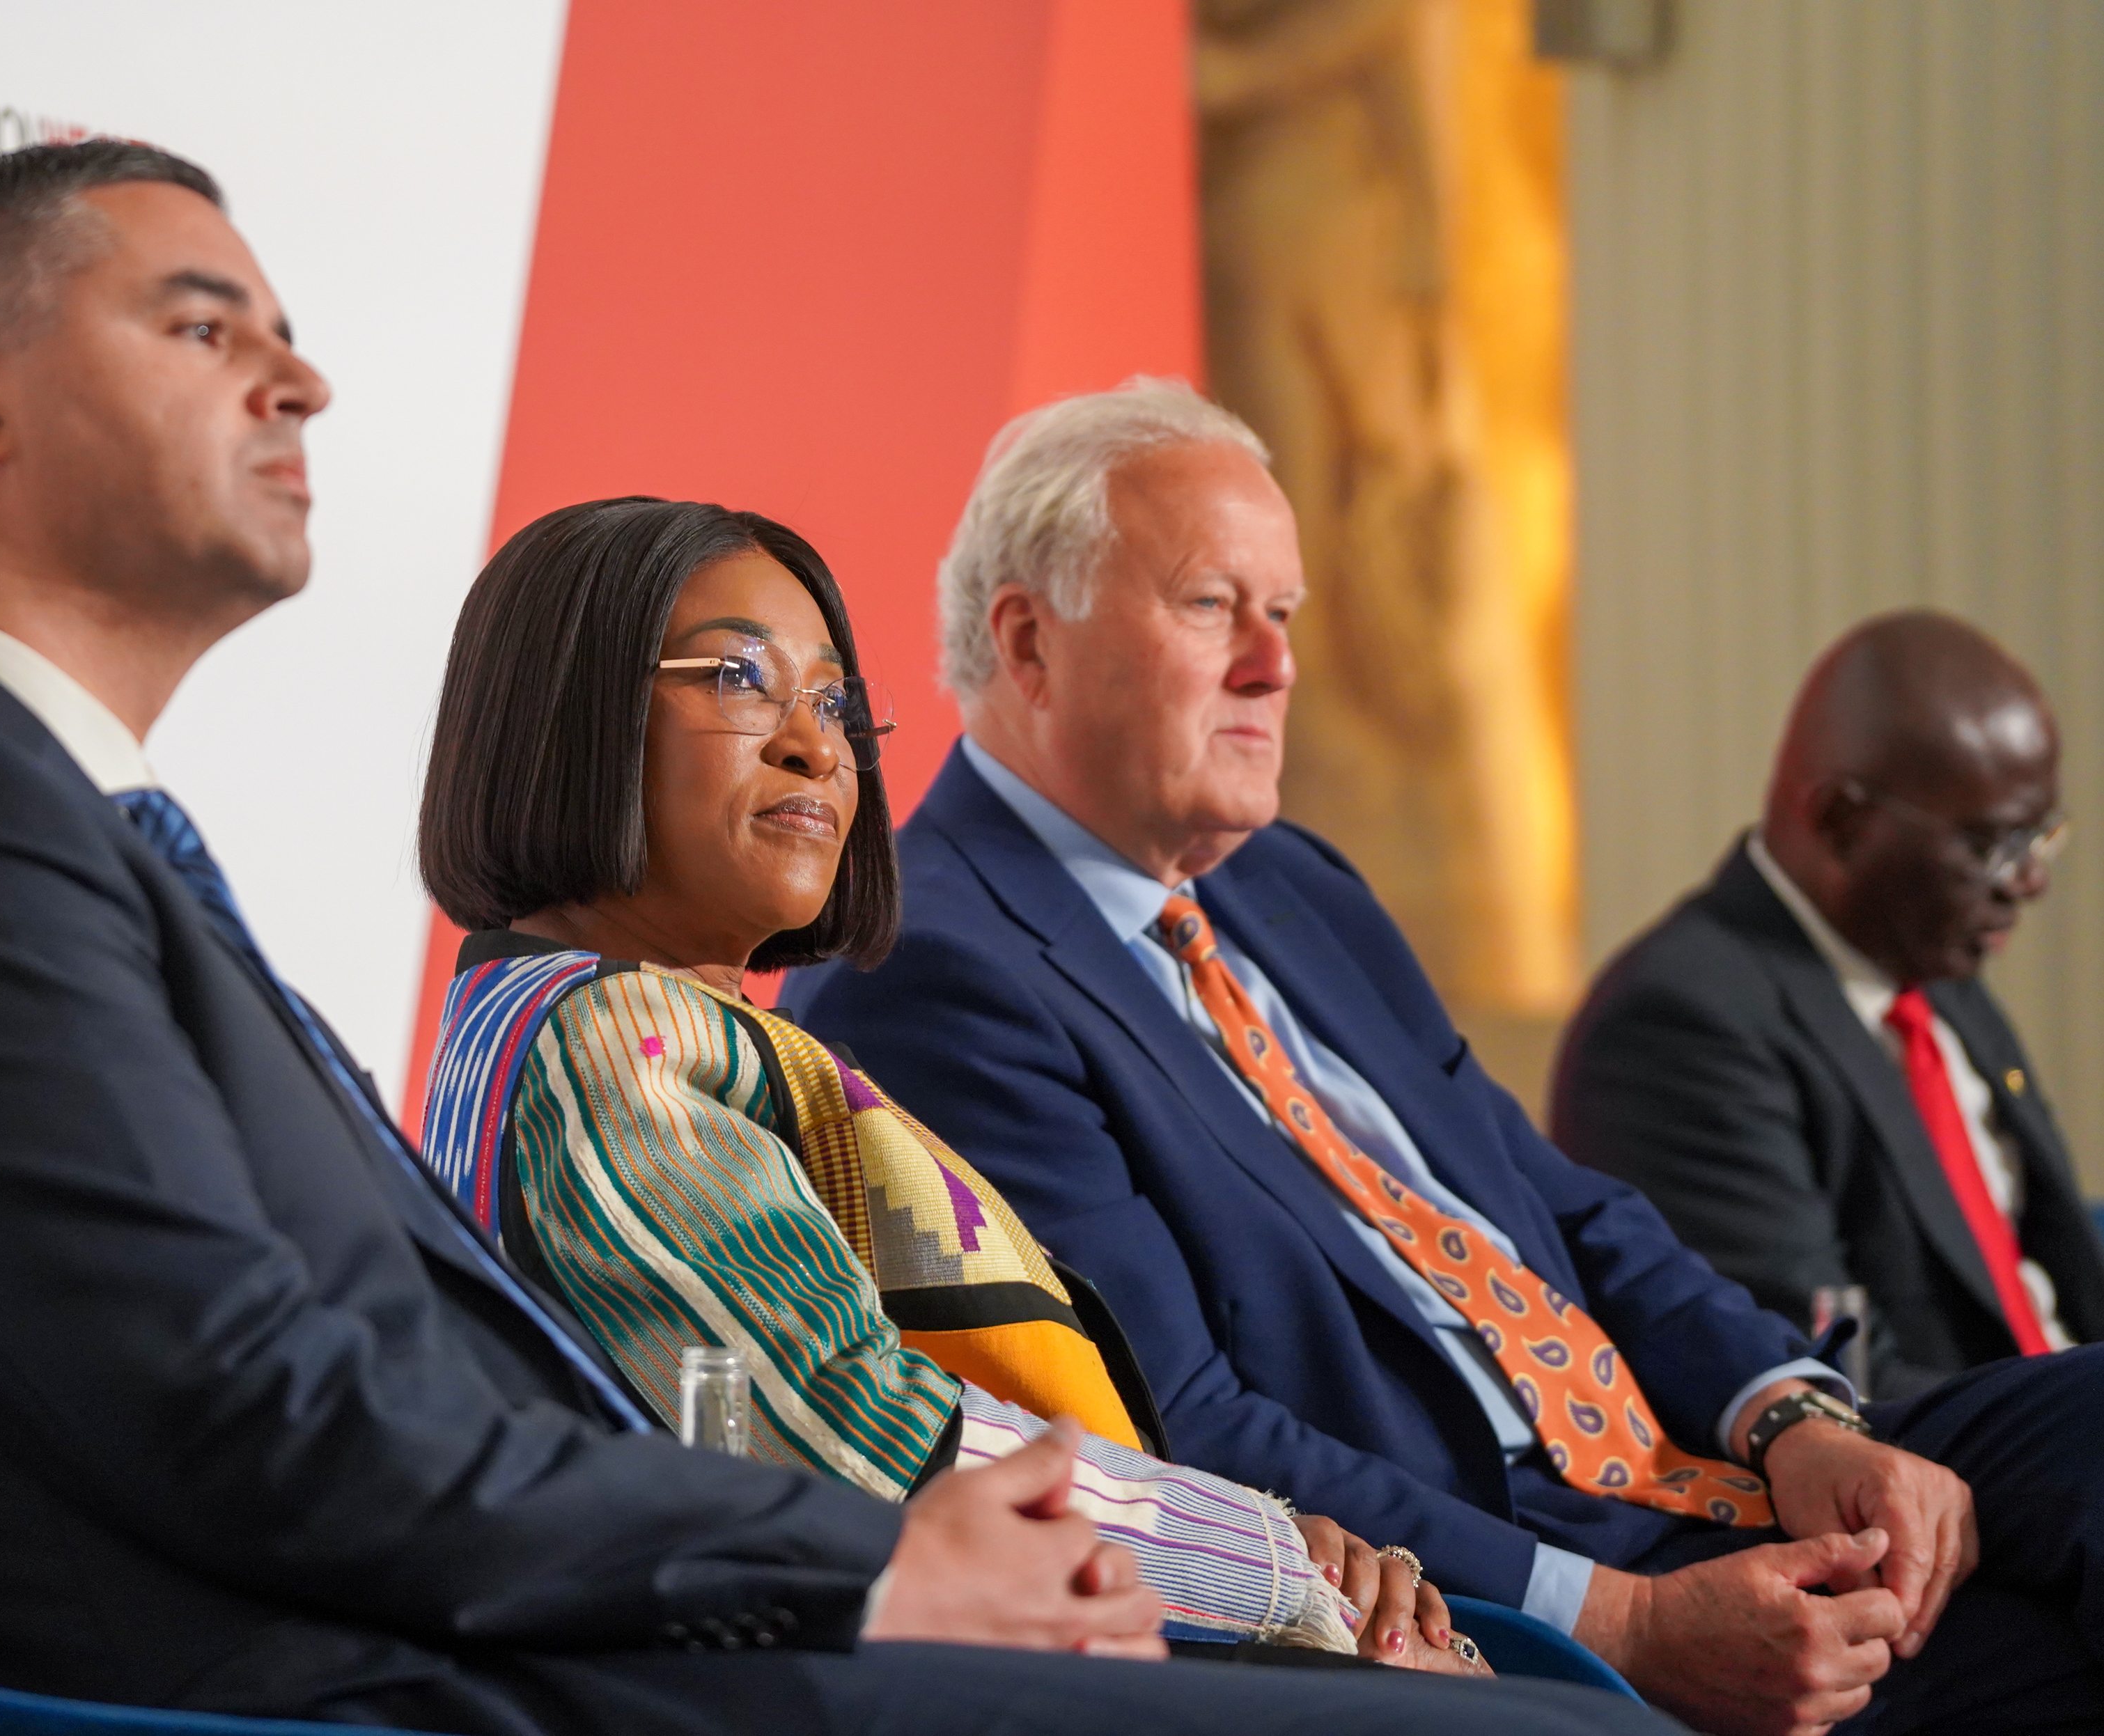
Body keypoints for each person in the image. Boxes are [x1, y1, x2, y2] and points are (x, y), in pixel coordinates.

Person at [0, 145, 1659, 1736]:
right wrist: (881, 1566)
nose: (301, 378)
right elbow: (253, 1418)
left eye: (834, 697)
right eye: (204, 330)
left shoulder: (20, 823)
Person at [788, 377, 2104, 1734]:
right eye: (1211, 605)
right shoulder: (926, 963)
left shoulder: (1289, 880)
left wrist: (1792, 1417)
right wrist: (1630, 1625)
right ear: (1027, 642)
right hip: (1496, 1576)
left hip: (1701, 1462)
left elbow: (1563, 1208)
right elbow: (1179, 1431)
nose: (1274, 664)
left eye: (1283, 611)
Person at [410, 494, 1487, 1672]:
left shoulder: (634, 1023)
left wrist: (1291, 1558)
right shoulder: (608, 1043)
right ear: (567, 715)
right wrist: (1289, 1578)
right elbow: (863, 1437)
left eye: (834, 701)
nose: (816, 746)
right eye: (738, 678)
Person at [1552, 613, 2104, 1400]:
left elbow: (2052, 1262)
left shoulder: (1932, 961)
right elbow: (1821, 1377)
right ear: (1844, 823)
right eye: (1994, 846)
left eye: (2040, 837)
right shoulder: (1678, 1024)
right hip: (1967, 1459)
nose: (2030, 882)